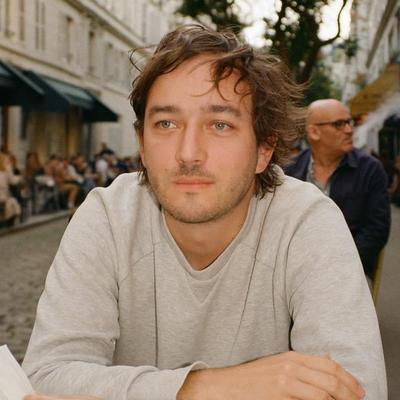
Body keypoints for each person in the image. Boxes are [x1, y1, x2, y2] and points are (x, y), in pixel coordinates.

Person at [23, 25, 385, 400]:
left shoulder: (307, 221)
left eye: (219, 124)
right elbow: (45, 378)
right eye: (166, 123)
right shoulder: (107, 217)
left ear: (264, 149)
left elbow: (356, 390)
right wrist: (212, 387)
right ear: (142, 145)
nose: (189, 153)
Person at [285, 99, 391, 282]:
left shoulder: (370, 169)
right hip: (294, 271)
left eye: (349, 122)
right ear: (314, 132)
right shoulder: (289, 170)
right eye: (339, 124)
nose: (349, 130)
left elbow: (376, 230)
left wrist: (337, 265)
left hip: (349, 272)